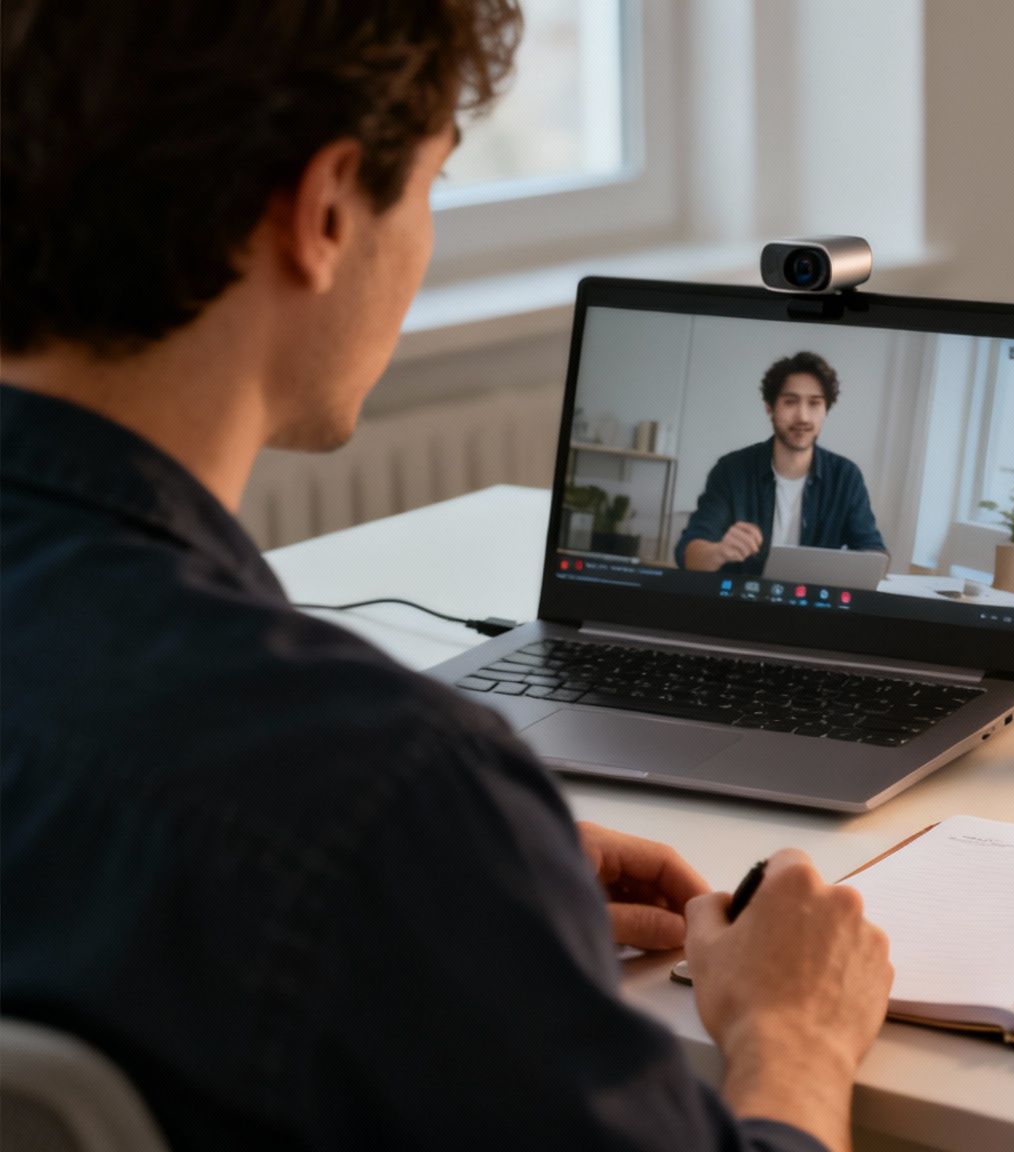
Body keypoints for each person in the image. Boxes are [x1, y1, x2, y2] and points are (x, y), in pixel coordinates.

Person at [0, 5, 891, 1151]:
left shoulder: (379, 815)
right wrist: (795, 1034)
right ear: (326, 211)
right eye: (431, 185)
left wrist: (468, 891)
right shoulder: (380, 796)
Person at [676, 352, 886, 573]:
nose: (803, 416)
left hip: (814, 595)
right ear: (770, 407)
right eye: (790, 402)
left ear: (826, 410)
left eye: (814, 403)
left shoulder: (846, 477)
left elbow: (873, 551)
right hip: (742, 594)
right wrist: (719, 552)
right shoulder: (731, 470)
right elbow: (688, 553)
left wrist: (866, 563)